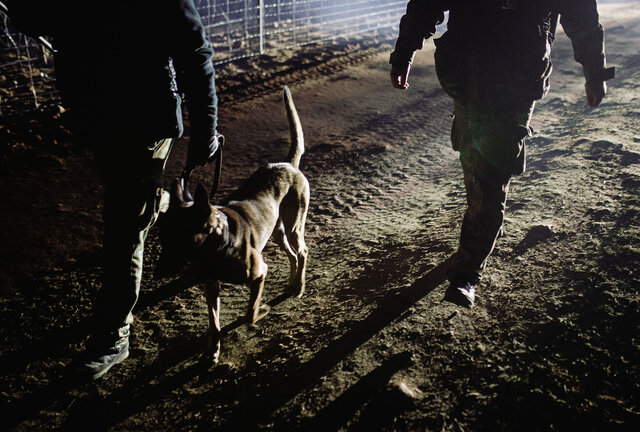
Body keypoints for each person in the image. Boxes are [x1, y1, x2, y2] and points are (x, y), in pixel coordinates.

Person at [8, 0, 221, 378]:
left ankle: (113, 335)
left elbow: (194, 53)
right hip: (99, 118)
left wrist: (205, 128)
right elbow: (35, 17)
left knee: (122, 224)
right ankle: (165, 203)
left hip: (144, 121)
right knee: (131, 207)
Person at [390, 0, 614, 307]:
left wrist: (594, 69)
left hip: (517, 77)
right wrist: (404, 52)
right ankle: (479, 226)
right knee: (473, 157)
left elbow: (581, 12)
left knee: (491, 171)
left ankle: (468, 269)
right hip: (467, 72)